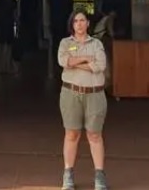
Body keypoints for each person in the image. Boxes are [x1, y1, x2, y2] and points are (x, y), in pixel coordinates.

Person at [57, 11, 109, 190]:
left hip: (94, 94)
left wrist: (75, 63)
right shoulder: (66, 43)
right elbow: (63, 61)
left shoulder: (97, 44)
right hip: (71, 93)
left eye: (82, 20)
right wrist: (87, 59)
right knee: (71, 134)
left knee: (95, 135)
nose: (79, 24)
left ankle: (99, 175)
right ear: (72, 24)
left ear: (88, 23)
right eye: (75, 21)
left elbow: (100, 65)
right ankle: (68, 174)